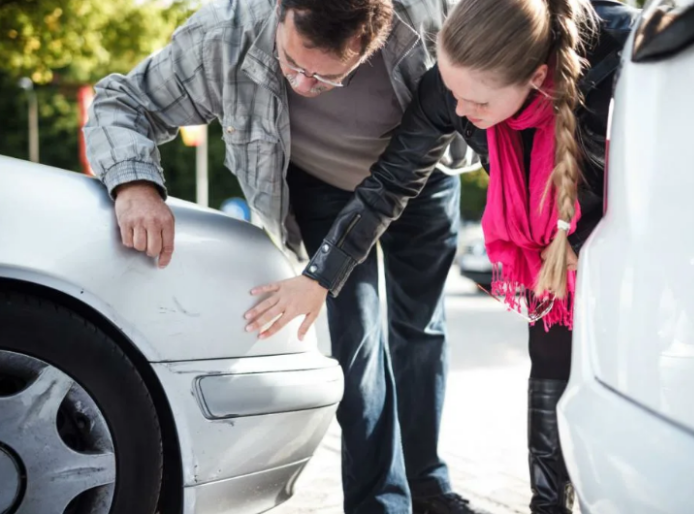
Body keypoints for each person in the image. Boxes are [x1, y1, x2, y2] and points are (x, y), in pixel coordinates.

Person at [84, 1, 489, 513]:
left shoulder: (429, 19)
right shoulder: (224, 35)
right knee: (357, 342)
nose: (302, 85)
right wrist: (135, 184)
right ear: (282, 13)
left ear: (372, 39)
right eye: (293, 63)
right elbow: (119, 101)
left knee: (420, 331)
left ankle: (428, 485)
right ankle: (380, 504)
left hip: (419, 178)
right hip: (324, 188)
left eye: (326, 78)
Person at [248, 0, 637, 512]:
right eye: (452, 93)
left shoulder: (622, 64)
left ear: (538, 78)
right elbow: (389, 184)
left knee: (628, 373)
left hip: (631, 241)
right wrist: (319, 275)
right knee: (550, 357)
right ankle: (548, 505)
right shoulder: (451, 92)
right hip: (546, 247)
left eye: (475, 102)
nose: (458, 111)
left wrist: (596, 250)